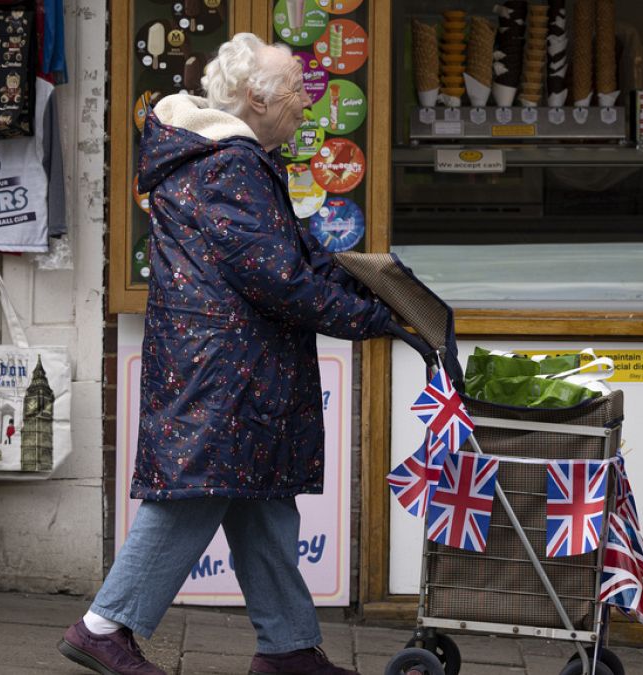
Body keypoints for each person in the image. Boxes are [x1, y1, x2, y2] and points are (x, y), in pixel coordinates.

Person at [57, 33, 394, 675]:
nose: (306, 100)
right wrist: (376, 316)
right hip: (224, 374)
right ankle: (105, 626)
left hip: (229, 368)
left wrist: (371, 284)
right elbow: (279, 279)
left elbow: (292, 256)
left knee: (263, 503)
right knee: (194, 495)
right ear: (255, 98)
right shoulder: (228, 165)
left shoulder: (232, 159)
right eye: (296, 87)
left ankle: (289, 648)